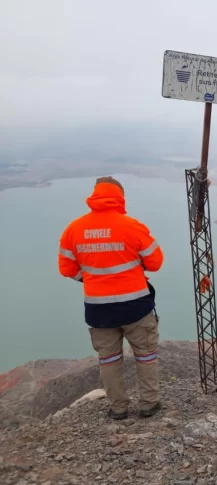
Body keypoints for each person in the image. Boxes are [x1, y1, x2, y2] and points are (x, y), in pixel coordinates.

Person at [58, 177, 164, 420]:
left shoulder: (74, 229)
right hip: (136, 306)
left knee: (109, 359)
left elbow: (66, 268)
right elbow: (155, 263)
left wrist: (88, 278)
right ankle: (149, 404)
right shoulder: (132, 226)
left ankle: (118, 408)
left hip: (98, 309)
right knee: (145, 355)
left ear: (94, 197)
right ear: (120, 197)